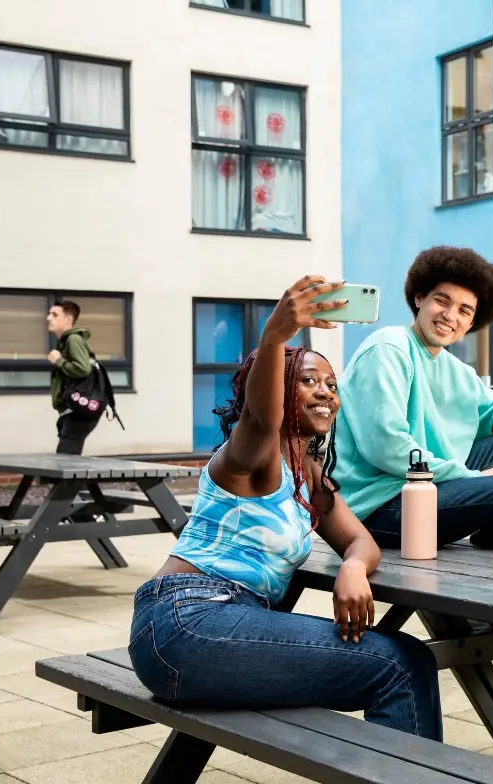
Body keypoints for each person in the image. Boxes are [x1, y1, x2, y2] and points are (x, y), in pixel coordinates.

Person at [128, 276, 441, 739]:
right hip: (186, 619)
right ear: (277, 388)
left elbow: (360, 542)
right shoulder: (251, 457)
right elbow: (261, 417)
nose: (325, 392)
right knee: (398, 667)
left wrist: (352, 568)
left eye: (332, 384)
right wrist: (275, 335)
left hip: (220, 625)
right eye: (307, 381)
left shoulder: (309, 477)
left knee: (412, 658)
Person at [333, 245, 493, 550]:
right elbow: (386, 446)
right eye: (442, 301)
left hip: (428, 488)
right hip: (376, 508)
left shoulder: (458, 372)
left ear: (471, 323)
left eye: (464, 311)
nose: (450, 315)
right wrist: (470, 476)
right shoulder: (389, 348)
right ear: (420, 299)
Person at [46, 300, 98, 454]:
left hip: (78, 411)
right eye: (49, 314)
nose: (48, 318)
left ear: (68, 320)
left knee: (66, 462)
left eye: (54, 314)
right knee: (68, 461)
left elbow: (83, 369)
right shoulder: (66, 341)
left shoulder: (73, 339)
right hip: (74, 410)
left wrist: (59, 361)